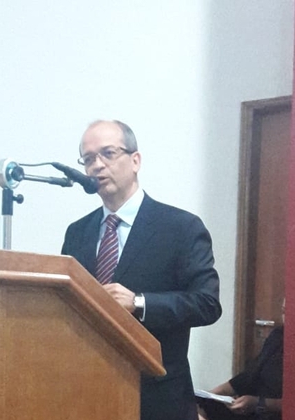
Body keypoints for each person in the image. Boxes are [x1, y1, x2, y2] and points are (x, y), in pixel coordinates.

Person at [61, 119, 222, 420]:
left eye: (108, 153)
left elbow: (207, 303)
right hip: (88, 392)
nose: (97, 166)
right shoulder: (78, 232)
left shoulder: (181, 227)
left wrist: (139, 303)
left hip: (158, 396)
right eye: (89, 159)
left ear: (135, 160)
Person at [197, 300, 285, 420]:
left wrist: (258, 402)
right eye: (283, 311)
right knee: (197, 405)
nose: (285, 316)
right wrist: (210, 395)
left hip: (271, 411)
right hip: (251, 405)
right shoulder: (278, 336)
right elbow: (249, 374)